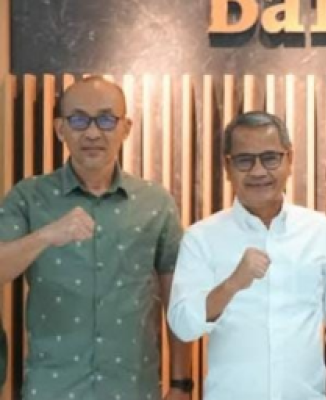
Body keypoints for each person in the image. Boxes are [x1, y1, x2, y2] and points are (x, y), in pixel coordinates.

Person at [0, 76, 192, 399]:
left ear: (126, 128)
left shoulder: (156, 203)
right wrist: (45, 235)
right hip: (52, 390)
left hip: (132, 389)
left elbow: (178, 299)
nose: (92, 133)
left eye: (105, 119)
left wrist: (180, 383)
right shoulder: (28, 196)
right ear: (60, 128)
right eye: (78, 120)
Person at [167, 111, 326, 400]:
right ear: (227, 166)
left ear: (289, 159)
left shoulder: (320, 230)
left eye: (270, 158)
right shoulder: (200, 238)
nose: (258, 172)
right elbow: (183, 325)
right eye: (245, 160)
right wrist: (232, 284)